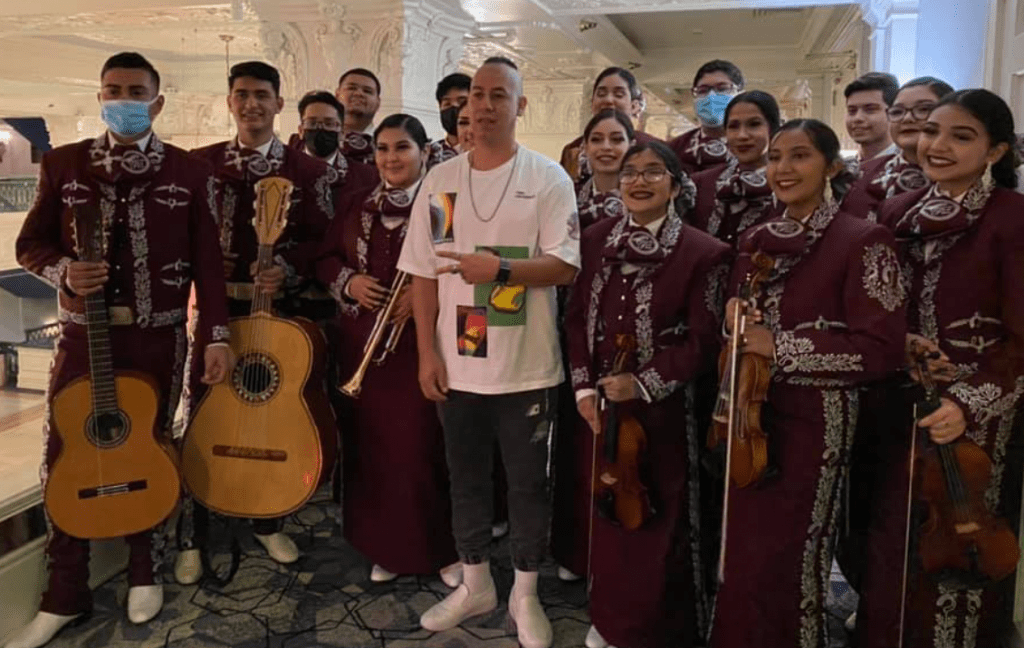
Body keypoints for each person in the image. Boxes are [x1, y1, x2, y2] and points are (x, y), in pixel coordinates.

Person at [7, 51, 231, 648]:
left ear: (157, 102)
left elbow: (210, 269)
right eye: (113, 89)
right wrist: (61, 272)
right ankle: (63, 592)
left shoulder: (189, 172)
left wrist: (216, 338)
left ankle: (144, 571)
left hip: (158, 338)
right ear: (99, 96)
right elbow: (31, 245)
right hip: (84, 336)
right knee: (65, 451)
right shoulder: (66, 164)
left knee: (150, 450)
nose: (124, 99)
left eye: (136, 91)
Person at [397, 57, 579, 648]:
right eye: (477, 94)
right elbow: (424, 274)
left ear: (520, 106)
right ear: (462, 106)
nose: (485, 105)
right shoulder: (441, 180)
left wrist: (500, 267)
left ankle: (525, 592)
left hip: (525, 364)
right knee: (466, 476)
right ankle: (475, 580)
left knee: (528, 485)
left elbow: (564, 266)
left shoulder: (548, 178)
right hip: (458, 361)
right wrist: (427, 353)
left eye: (500, 95)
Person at [709, 119, 906, 648]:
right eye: (775, 158)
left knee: (793, 550)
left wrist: (782, 348)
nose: (783, 169)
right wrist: (733, 318)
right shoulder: (755, 240)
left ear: (832, 166)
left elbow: (882, 350)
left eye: (799, 156)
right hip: (751, 415)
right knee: (745, 547)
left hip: (816, 422)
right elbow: (737, 328)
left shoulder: (864, 239)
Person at [856, 89, 1024, 648]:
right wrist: (900, 338)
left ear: (996, 151)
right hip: (900, 403)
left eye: (961, 136)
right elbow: (882, 306)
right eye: (931, 131)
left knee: (963, 542)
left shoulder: (1012, 219)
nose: (937, 145)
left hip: (979, 416)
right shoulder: (898, 212)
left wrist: (967, 403)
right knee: (895, 538)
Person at [175, 60, 335, 583]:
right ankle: (193, 534)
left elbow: (324, 241)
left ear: (279, 104)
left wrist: (288, 268)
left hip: (277, 314)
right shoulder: (199, 166)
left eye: (262, 94)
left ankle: (269, 517)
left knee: (272, 414)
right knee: (207, 414)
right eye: (241, 94)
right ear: (229, 102)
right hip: (218, 316)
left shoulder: (308, 171)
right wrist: (201, 261)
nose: (252, 104)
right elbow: (172, 238)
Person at [566, 140, 730, 648]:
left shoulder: (706, 251)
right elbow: (573, 320)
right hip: (600, 404)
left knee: (664, 511)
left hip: (668, 408)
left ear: (676, 186)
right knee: (608, 507)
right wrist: (582, 389)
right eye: (631, 172)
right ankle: (612, 616)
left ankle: (660, 625)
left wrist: (644, 382)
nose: (639, 181)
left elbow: (704, 340)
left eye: (653, 172)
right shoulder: (595, 239)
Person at [316, 113, 461, 586]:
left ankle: (441, 549)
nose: (391, 158)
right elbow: (324, 259)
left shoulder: (441, 204)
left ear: (423, 153)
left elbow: (457, 264)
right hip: (362, 346)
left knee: (424, 448)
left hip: (422, 345)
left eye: (402, 147)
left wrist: (418, 299)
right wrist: (350, 282)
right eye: (382, 148)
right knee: (373, 449)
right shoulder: (356, 203)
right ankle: (385, 546)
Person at [551, 108, 635, 585]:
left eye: (616, 138)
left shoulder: (647, 194)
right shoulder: (565, 198)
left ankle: (620, 551)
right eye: (596, 139)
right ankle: (574, 548)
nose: (606, 147)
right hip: (574, 330)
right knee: (576, 443)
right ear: (583, 147)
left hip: (628, 341)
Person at [690, 90, 781, 246]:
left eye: (754, 124)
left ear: (773, 129)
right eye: (733, 126)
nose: (742, 136)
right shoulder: (700, 184)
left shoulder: (787, 185)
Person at [862, 77, 955, 217]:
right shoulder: (861, 174)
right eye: (897, 112)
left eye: (923, 109)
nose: (907, 119)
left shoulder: (964, 175)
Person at [559, 67, 661, 184]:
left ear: (634, 106)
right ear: (592, 104)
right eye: (601, 94)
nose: (608, 100)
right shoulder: (573, 150)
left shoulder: (651, 148)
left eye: (618, 94)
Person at [669, 60, 743, 176]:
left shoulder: (756, 143)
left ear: (740, 93)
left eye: (722, 89)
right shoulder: (676, 148)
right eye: (703, 90)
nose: (711, 96)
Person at [844, 72, 899, 164]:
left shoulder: (910, 168)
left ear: (893, 113)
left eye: (870, 110)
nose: (858, 118)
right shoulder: (841, 170)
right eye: (852, 111)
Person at [336, 67, 382, 166]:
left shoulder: (385, 146)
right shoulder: (318, 140)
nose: (359, 93)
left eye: (367, 91)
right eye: (352, 88)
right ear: (337, 96)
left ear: (378, 103)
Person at [430, 72, 472, 166]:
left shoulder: (486, 153)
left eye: (461, 102)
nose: (454, 107)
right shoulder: (429, 154)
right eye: (447, 104)